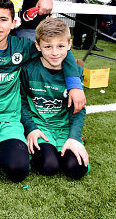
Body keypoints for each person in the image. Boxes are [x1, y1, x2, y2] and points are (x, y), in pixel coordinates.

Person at [0, 0, 84, 182]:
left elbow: (60, 49)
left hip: (10, 120)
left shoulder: (22, 46)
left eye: (3, 20)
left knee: (18, 170)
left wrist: (74, 84)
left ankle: (2, 149)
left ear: (13, 22)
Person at [20, 18, 89, 179]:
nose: (55, 52)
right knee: (48, 166)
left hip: (64, 129)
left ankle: (69, 144)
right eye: (48, 46)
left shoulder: (75, 73)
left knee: (76, 169)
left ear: (69, 45)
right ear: (38, 46)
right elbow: (21, 103)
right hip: (40, 128)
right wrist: (30, 128)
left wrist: (74, 137)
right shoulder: (28, 70)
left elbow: (78, 110)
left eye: (61, 46)